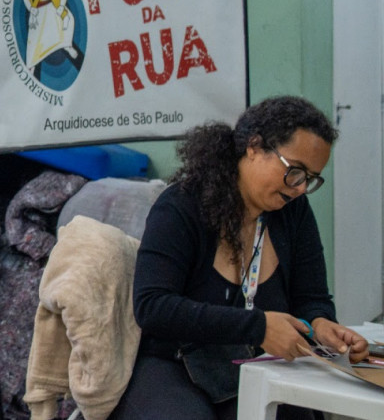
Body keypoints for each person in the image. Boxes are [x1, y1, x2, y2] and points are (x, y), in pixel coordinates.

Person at [110, 95, 368, 420]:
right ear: (254, 147)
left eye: (311, 178)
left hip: (253, 365)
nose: (301, 188)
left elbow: (311, 297)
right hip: (174, 362)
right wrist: (257, 327)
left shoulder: (294, 212)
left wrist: (321, 325)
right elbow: (153, 308)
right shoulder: (181, 206)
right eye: (295, 171)